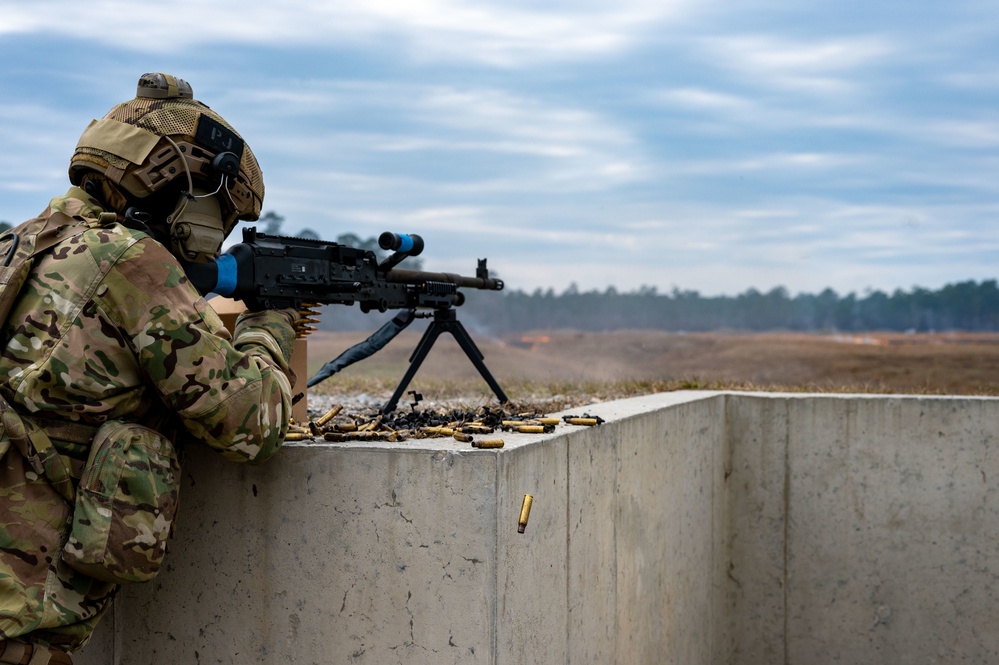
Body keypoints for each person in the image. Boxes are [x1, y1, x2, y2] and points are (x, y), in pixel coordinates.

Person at [0, 73, 299, 664]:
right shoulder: (131, 260)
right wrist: (271, 330)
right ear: (180, 182)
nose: (219, 233)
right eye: (222, 210)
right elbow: (249, 424)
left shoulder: (20, 244)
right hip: (22, 615)